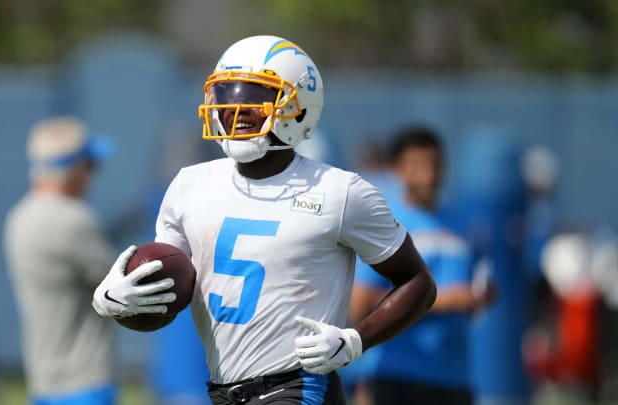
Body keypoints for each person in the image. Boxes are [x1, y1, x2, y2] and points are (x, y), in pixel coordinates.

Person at [92, 35, 437, 405]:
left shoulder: (341, 192)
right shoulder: (189, 185)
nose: (235, 110)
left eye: (254, 98)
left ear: (298, 106)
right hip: (224, 391)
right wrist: (118, 299)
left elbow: (417, 282)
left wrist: (356, 340)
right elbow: (170, 290)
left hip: (299, 386)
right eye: (226, 96)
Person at [349, 126, 496, 405]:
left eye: (435, 165)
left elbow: (476, 288)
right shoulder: (383, 225)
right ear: (397, 170)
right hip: (397, 374)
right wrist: (441, 300)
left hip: (455, 376)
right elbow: (359, 304)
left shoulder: (465, 224)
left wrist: (484, 295)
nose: (428, 176)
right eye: (417, 166)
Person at [4, 117, 118, 405]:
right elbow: (120, 283)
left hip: (42, 379)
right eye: (90, 165)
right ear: (75, 169)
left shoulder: (18, 217)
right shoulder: (73, 219)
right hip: (83, 381)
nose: (92, 175)